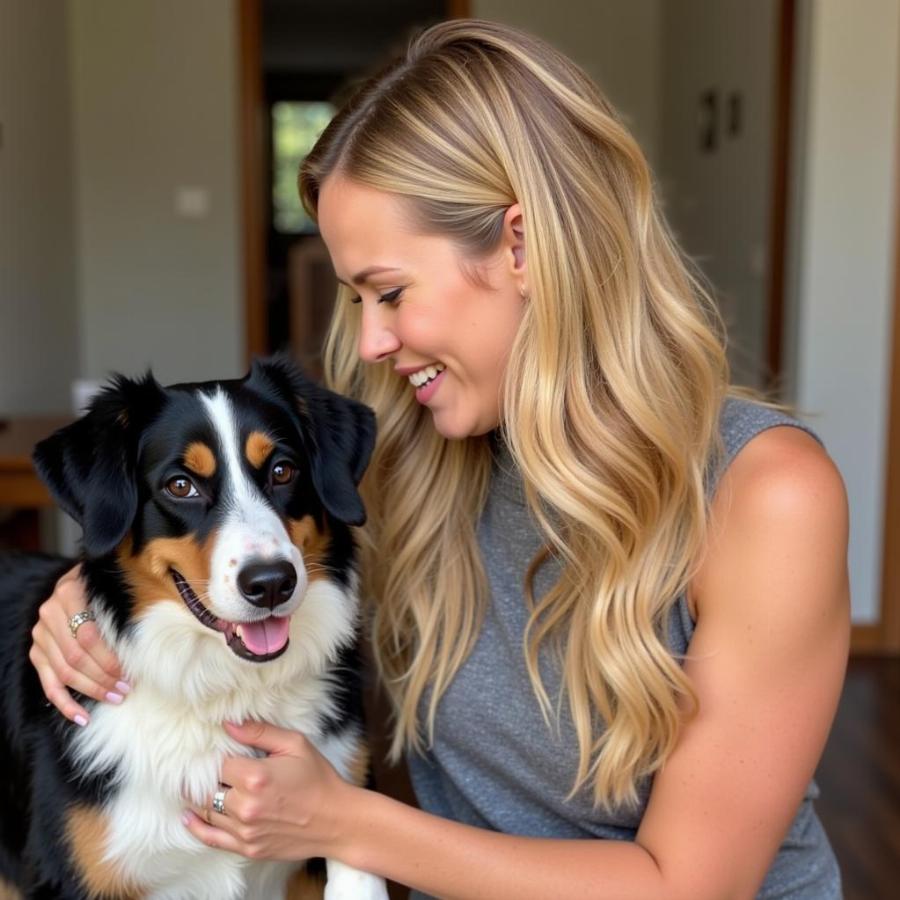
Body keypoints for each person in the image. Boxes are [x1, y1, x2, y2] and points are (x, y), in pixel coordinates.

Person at [31, 18, 850, 899]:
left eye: (388, 292)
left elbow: (689, 887)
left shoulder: (766, 496)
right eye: (354, 299)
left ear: (522, 245)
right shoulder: (415, 461)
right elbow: (233, 546)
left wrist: (346, 821)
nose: (371, 341)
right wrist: (84, 605)